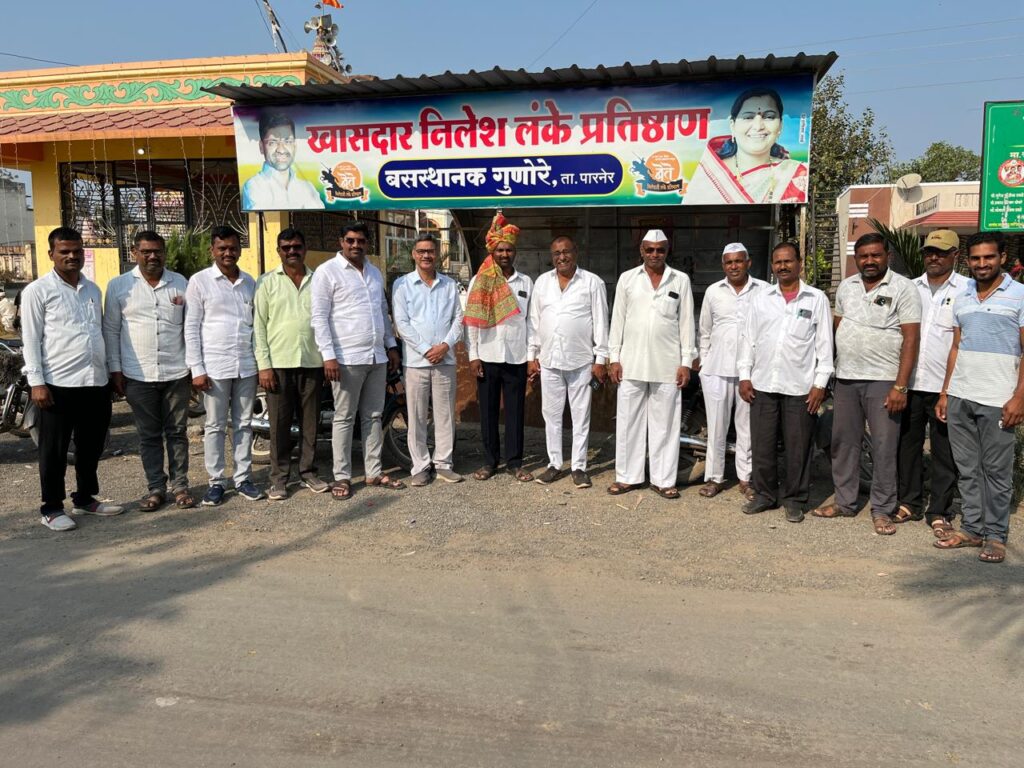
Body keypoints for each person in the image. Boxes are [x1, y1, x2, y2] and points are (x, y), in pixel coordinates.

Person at [814, 233, 921, 534]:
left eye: (875, 255)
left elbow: (911, 338)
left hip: (884, 380)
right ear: (856, 258)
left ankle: (882, 509)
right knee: (843, 443)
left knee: (884, 446)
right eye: (863, 256)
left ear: (888, 256)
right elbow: (838, 327)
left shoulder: (904, 288)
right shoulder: (847, 286)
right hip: (846, 378)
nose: (869, 261)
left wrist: (900, 386)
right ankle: (845, 502)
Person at [21, 226, 123, 531]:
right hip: (57, 384)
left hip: (95, 381)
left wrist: (112, 371)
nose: (72, 256)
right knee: (54, 449)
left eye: (77, 251)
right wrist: (37, 382)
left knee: (91, 446)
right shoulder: (37, 291)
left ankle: (85, 498)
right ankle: (51, 508)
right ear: (51, 254)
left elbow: (101, 332)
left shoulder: (92, 289)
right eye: (64, 251)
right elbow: (31, 339)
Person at [935, 233, 1024, 564]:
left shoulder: (1019, 296)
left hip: (999, 398)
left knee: (997, 472)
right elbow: (956, 347)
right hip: (961, 395)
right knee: (968, 469)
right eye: (976, 258)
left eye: (989, 257)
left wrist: (1019, 396)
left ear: (1002, 257)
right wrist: (946, 392)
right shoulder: (963, 297)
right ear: (967, 260)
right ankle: (972, 529)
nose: (982, 264)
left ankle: (996, 536)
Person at [738, 243, 833, 522]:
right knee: (762, 445)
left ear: (799, 263)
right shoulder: (762, 298)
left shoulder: (815, 299)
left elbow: (824, 345)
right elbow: (748, 340)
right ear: (772, 266)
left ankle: (795, 499)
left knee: (798, 447)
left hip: (800, 387)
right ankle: (765, 495)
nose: (782, 266)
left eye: (788, 261)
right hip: (763, 384)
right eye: (777, 262)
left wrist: (820, 384)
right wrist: (744, 376)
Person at [310, 221, 403, 500]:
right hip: (345, 358)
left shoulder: (374, 272)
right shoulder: (327, 272)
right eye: (350, 240)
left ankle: (373, 471)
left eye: (361, 241)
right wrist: (328, 356)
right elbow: (319, 317)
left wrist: (391, 345)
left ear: (367, 243)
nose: (355, 245)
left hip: (376, 356)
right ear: (341, 242)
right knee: (344, 417)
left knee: (373, 416)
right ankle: (342, 476)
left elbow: (382, 312)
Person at [103, 230, 194, 511]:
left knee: (177, 432)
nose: (152, 256)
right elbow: (111, 330)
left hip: (176, 372)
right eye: (146, 252)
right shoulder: (119, 286)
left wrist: (194, 367)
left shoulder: (180, 283)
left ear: (164, 253)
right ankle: (156, 488)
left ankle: (180, 487)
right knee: (149, 435)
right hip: (137, 375)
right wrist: (115, 371)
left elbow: (190, 327)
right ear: (134, 253)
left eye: (157, 251)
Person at [607, 229, 696, 499]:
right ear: (641, 251)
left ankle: (663, 480)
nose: (655, 254)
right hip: (631, 363)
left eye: (660, 250)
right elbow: (617, 320)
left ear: (667, 251)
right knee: (628, 422)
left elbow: (687, 323)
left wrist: (686, 362)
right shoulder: (627, 279)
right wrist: (614, 358)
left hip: (667, 364)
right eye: (650, 249)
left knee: (665, 425)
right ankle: (627, 477)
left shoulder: (679, 280)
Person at [184, 225, 265, 505]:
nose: (228, 253)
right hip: (214, 366)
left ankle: (243, 479)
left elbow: (255, 325)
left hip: (246, 365)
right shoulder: (200, 281)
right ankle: (216, 482)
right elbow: (191, 327)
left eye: (232, 248)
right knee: (215, 426)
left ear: (240, 250)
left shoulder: (249, 282)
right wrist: (197, 369)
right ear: (212, 250)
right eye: (222, 248)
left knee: (244, 424)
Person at [895, 230, 967, 536]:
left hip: (945, 387)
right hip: (910, 384)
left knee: (943, 451)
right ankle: (909, 502)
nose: (933, 257)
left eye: (941, 252)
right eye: (929, 252)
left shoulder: (967, 290)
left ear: (955, 255)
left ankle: (939, 510)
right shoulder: (910, 288)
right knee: (907, 446)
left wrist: (948, 391)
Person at [527, 236, 609, 488]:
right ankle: (554, 463)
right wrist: (531, 356)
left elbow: (601, 322)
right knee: (551, 415)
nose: (561, 257)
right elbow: (534, 322)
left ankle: (579, 466)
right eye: (557, 253)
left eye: (566, 252)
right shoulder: (542, 282)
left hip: (581, 361)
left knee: (580, 416)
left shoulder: (592, 282)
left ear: (576, 252)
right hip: (549, 361)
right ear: (551, 256)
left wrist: (601, 359)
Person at [253, 228, 328, 501]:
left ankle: (308, 472)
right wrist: (264, 366)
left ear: (305, 249)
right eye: (286, 247)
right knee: (279, 426)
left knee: (311, 424)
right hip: (279, 364)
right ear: (278, 251)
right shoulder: (266, 282)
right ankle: (279, 479)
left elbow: (327, 320)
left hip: (312, 361)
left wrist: (328, 357)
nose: (291, 251)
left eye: (296, 246)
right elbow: (259, 327)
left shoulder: (319, 280)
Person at [391, 233, 465, 487]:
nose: (426, 255)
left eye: (430, 251)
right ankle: (420, 466)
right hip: (416, 362)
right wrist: (426, 350)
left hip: (445, 359)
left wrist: (444, 346)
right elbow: (402, 323)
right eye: (421, 251)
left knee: (445, 415)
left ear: (437, 254)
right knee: (416, 416)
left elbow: (458, 319)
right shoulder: (402, 284)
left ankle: (444, 463)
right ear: (414, 254)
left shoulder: (449, 285)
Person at [465, 213, 534, 482]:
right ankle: (490, 462)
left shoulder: (525, 282)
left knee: (515, 413)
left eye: (508, 250)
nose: (504, 254)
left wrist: (531, 357)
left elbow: (531, 323)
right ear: (492, 252)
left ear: (515, 252)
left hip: (516, 356)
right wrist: (473, 356)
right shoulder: (479, 280)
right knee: (488, 413)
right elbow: (471, 321)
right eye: (500, 250)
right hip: (488, 355)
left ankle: (515, 462)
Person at [696, 242, 766, 499]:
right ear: (723, 265)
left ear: (748, 262)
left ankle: (745, 478)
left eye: (738, 261)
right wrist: (704, 364)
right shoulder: (713, 291)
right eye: (729, 262)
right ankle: (714, 478)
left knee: (747, 427)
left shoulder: (764, 290)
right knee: (716, 427)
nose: (734, 266)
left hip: (750, 373)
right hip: (716, 370)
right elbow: (704, 331)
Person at [685, 88, 808, 205]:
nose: (758, 126)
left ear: (780, 125)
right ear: (732, 125)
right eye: (748, 117)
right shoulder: (710, 173)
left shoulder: (797, 173)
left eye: (769, 117)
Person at [241, 111, 324, 211]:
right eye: (272, 142)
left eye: (287, 141)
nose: (281, 150)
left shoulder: (307, 187)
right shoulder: (254, 185)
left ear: (295, 146)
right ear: (261, 147)